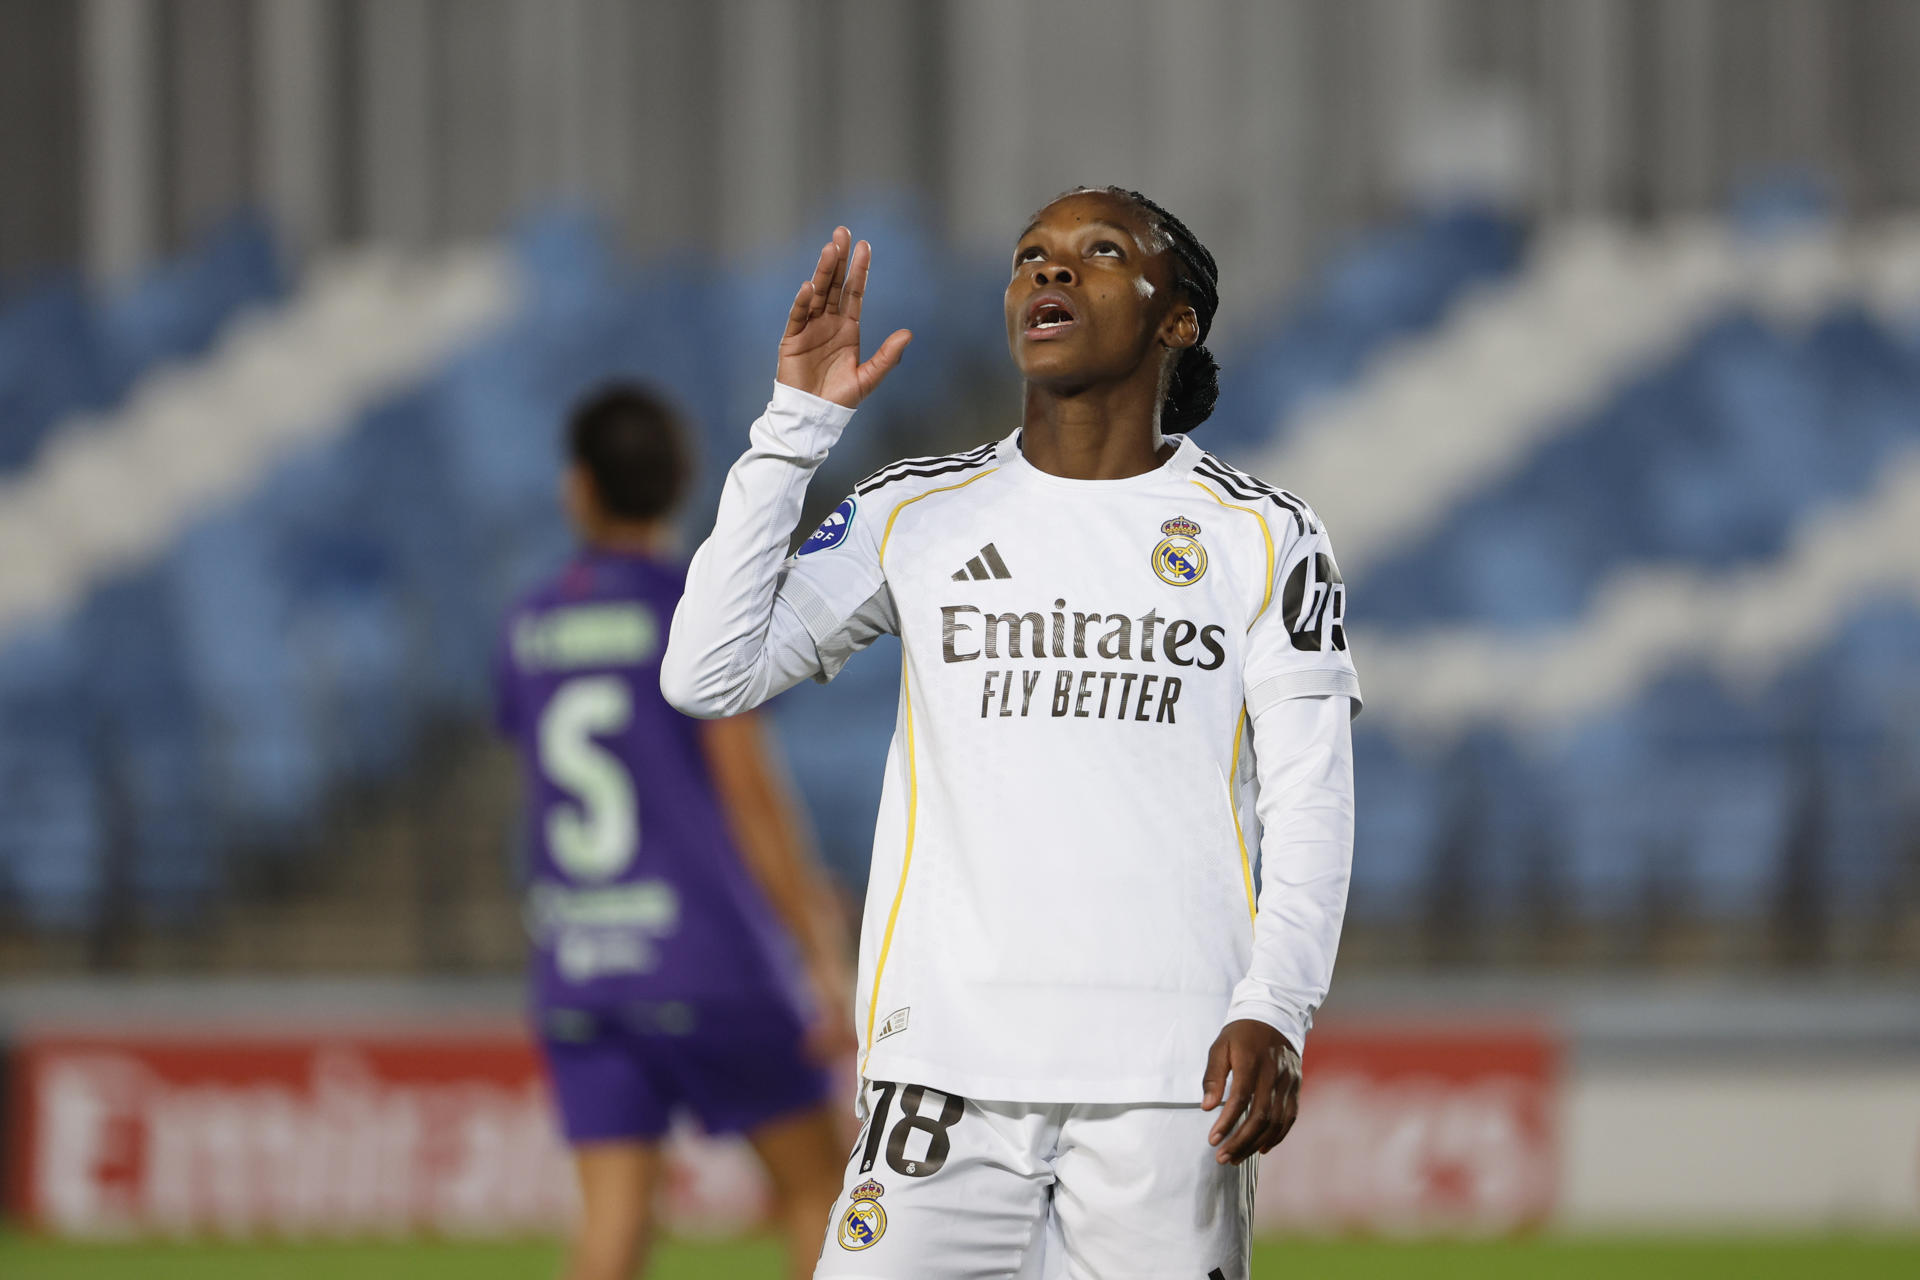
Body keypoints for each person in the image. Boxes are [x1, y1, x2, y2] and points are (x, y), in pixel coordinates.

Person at [661, 188, 1359, 1279]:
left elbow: (1312, 797)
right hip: (944, 1067)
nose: (1050, 271)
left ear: (1177, 317)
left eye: (1099, 252)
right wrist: (795, 424)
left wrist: (1277, 1002)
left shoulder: (1265, 536)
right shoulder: (915, 510)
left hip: (1167, 1075)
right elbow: (706, 671)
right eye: (1031, 255)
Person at [494, 385, 855, 1280]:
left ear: (577, 489)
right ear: (683, 483)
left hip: (583, 959)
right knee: (823, 1192)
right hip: (708, 958)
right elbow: (747, 792)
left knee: (613, 1224)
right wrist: (817, 948)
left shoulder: (528, 625)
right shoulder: (687, 611)